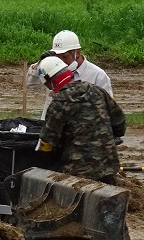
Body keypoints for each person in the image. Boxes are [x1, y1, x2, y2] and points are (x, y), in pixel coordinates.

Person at [34, 54, 126, 184]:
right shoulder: (97, 91)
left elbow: (47, 143)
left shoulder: (59, 103)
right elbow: (120, 124)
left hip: (78, 172)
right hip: (109, 166)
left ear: (49, 81)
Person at [36, 29, 112, 116]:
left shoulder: (98, 75)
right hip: (52, 123)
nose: (61, 61)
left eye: (65, 57)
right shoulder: (52, 68)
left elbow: (108, 108)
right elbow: (32, 83)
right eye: (58, 57)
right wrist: (40, 65)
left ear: (77, 52)